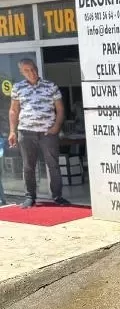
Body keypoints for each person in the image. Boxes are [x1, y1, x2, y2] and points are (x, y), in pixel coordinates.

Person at [8, 58, 69, 208]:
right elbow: (14, 110)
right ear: (22, 72)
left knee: (53, 165)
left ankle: (57, 196)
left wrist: (56, 127)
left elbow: (60, 109)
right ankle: (30, 197)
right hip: (26, 132)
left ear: (37, 68)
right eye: (27, 70)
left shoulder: (50, 86)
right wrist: (12, 131)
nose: (32, 72)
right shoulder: (18, 88)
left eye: (33, 69)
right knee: (28, 166)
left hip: (48, 133)